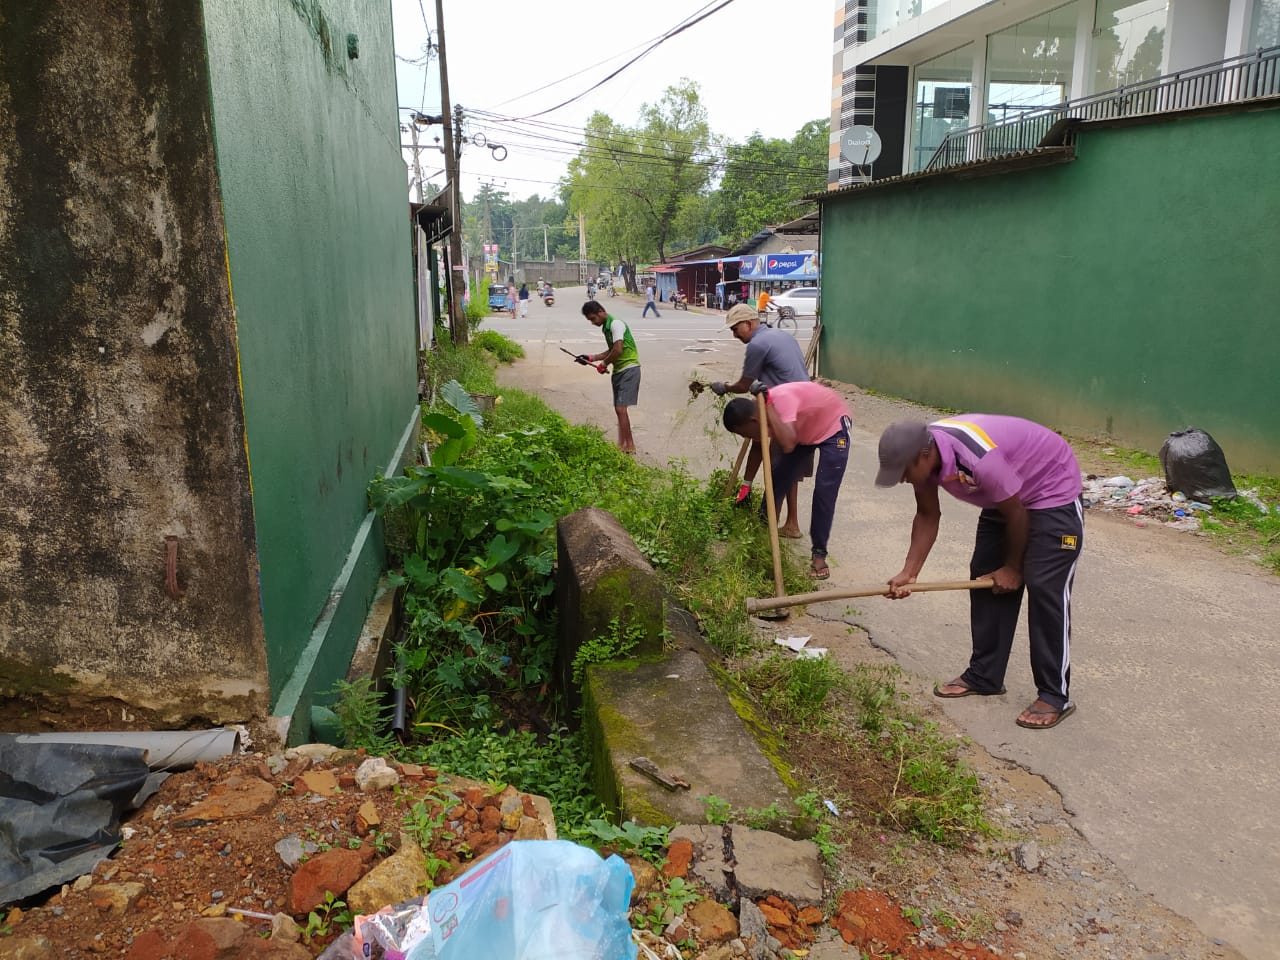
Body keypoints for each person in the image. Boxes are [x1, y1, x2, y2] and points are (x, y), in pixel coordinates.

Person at [874, 416, 1085, 730]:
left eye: (904, 471)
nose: (902, 479)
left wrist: (1014, 568)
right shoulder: (925, 458)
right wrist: (910, 572)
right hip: (1007, 497)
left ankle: (1055, 694)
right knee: (985, 577)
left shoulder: (978, 458)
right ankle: (985, 675)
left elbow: (1018, 512)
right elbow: (928, 514)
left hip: (1050, 493)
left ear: (924, 455)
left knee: (1044, 585)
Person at [722, 382, 851, 580]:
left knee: (824, 491)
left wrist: (771, 407)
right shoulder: (760, 414)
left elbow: (789, 444)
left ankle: (819, 555)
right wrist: (746, 484)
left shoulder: (779, 402)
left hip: (833, 426)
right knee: (777, 479)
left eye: (745, 433)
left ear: (754, 421)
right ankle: (759, 537)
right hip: (804, 431)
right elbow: (764, 448)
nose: (746, 437)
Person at [710, 303, 811, 538]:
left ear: (749, 323)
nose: (735, 335)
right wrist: (746, 484)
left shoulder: (757, 344)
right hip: (801, 406)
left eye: (736, 329)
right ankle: (790, 523)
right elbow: (756, 440)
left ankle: (768, 525)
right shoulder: (780, 336)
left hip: (789, 410)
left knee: (780, 469)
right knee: (789, 466)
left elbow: (744, 385)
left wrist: (724, 387)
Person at [581, 300, 640, 453]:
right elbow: (611, 350)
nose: (593, 323)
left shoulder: (616, 324)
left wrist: (604, 364)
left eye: (593, 319)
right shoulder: (606, 328)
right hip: (619, 370)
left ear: (601, 311)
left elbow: (618, 350)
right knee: (619, 410)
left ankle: (630, 446)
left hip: (629, 368)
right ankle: (622, 445)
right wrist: (591, 358)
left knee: (621, 409)